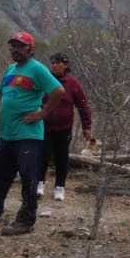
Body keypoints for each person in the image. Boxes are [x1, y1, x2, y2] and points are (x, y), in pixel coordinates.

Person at [0, 31, 64, 235]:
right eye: (13, 46)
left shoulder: (37, 69)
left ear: (30, 48)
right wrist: (2, 108)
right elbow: (0, 91)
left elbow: (58, 91)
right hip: (7, 133)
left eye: (20, 46)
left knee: (29, 177)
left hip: (27, 134)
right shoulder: (11, 69)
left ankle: (26, 221)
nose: (15, 50)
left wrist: (43, 112)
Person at [38, 53, 92, 201]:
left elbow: (83, 105)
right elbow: (35, 99)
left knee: (62, 158)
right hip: (44, 126)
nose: (54, 65)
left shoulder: (72, 83)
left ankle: (60, 187)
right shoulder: (45, 80)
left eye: (58, 63)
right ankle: (39, 184)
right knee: (42, 155)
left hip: (64, 128)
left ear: (66, 65)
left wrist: (86, 127)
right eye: (53, 63)